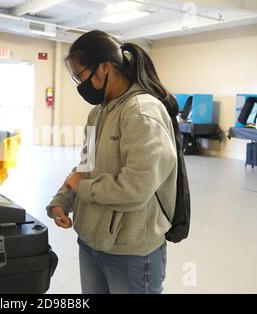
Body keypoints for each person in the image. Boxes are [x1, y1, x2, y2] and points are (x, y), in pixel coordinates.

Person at [46, 30, 179, 294]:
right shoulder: (99, 112)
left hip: (131, 252)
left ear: (104, 68)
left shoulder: (142, 112)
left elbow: (136, 188)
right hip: (92, 242)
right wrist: (63, 200)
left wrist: (82, 189)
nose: (79, 85)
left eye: (79, 76)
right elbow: (86, 166)